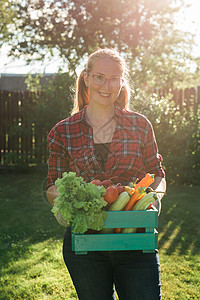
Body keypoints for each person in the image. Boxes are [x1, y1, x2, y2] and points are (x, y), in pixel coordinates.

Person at [46, 48, 166, 300]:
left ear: (122, 82)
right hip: (86, 246)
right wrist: (68, 201)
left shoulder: (140, 125)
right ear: (87, 78)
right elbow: (51, 186)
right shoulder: (63, 131)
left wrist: (154, 198)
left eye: (114, 78)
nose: (106, 85)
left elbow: (157, 174)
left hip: (134, 240)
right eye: (99, 77)